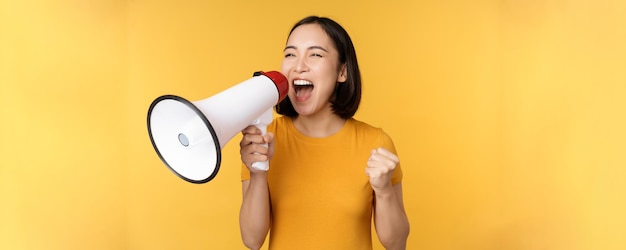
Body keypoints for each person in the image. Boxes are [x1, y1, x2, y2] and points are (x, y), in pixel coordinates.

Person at [239, 15, 410, 250]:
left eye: (315, 54)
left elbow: (397, 243)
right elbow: (252, 240)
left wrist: (384, 191)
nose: (299, 66)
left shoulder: (376, 142)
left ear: (342, 72)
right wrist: (258, 172)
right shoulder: (264, 139)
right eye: (290, 54)